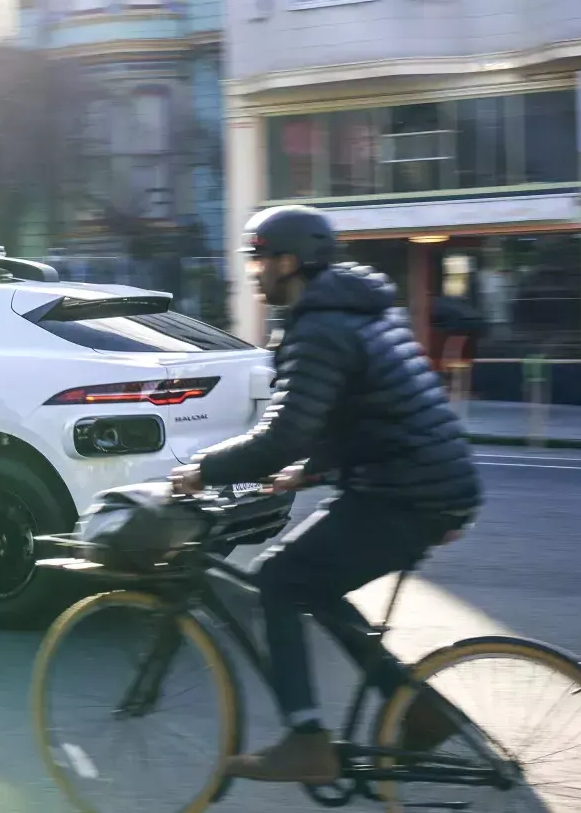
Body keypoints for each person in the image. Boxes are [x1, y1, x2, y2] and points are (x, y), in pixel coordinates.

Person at [169, 206, 483, 785]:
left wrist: (204, 469)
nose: (254, 272)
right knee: (313, 585)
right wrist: (308, 471)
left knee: (278, 579)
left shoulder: (318, 326)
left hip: (406, 492)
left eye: (259, 259)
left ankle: (306, 739)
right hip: (430, 482)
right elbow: (368, 412)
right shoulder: (361, 309)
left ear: (289, 262)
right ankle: (418, 709)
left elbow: (285, 431)